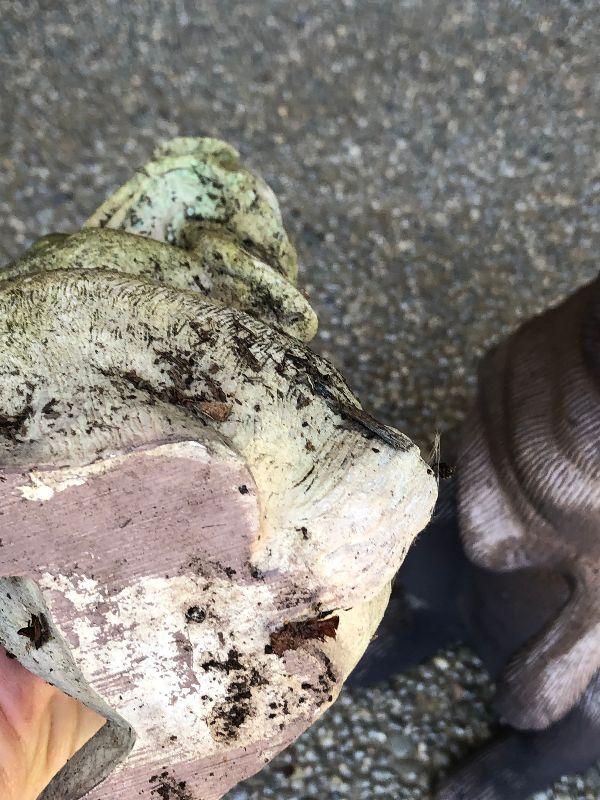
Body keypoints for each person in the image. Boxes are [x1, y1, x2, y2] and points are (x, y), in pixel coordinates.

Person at [351, 275, 600, 799]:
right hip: (549, 398)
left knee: (576, 725)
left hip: (575, 622)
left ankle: (524, 767)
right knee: (440, 546)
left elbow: (539, 697)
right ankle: (432, 616)